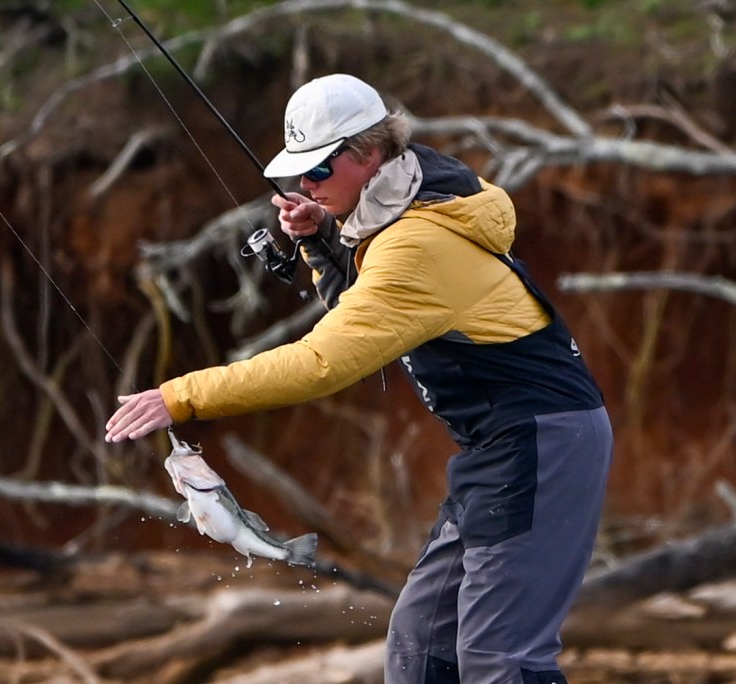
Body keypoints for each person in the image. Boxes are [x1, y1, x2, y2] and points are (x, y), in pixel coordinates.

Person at [105, 73, 613, 684]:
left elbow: (322, 362)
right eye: (299, 172)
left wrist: (180, 397)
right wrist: (322, 238)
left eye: (318, 169)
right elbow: (363, 303)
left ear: (369, 154)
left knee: (498, 657)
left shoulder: (417, 243)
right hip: (500, 448)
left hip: (544, 443)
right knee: (421, 645)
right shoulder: (410, 199)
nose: (305, 184)